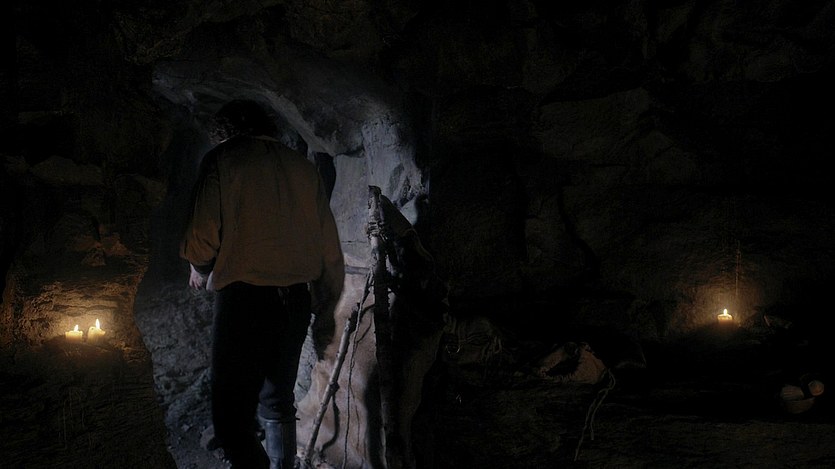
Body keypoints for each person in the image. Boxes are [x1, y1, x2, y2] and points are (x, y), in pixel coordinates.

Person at [180, 99, 344, 469]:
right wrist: (325, 309)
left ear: (224, 133)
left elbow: (201, 237)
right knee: (278, 398)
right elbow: (329, 251)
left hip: (245, 299)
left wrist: (200, 267)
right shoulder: (302, 168)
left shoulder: (223, 159)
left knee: (231, 416)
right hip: (295, 299)